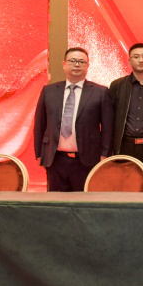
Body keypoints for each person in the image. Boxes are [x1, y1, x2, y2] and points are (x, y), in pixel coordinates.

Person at [33, 47, 113, 192]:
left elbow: (108, 127)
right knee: (55, 202)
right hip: (55, 159)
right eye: (72, 61)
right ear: (64, 64)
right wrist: (39, 153)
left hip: (87, 160)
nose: (77, 65)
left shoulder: (100, 92)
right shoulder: (49, 91)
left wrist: (105, 154)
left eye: (81, 62)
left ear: (87, 66)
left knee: (84, 202)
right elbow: (40, 124)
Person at [108, 42, 143, 191]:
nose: (141, 60)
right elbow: (110, 119)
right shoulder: (117, 86)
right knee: (124, 188)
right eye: (136, 56)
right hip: (124, 146)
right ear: (129, 60)